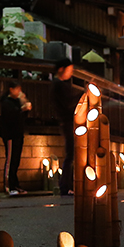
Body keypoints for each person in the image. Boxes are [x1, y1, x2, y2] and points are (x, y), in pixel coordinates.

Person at [0, 80, 31, 196]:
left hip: (18, 133)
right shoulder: (6, 102)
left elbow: (21, 117)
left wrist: (24, 105)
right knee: (10, 160)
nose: (19, 92)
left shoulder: (17, 101)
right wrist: (22, 109)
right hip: (10, 135)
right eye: (17, 89)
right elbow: (11, 116)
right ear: (11, 89)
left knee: (16, 160)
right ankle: (9, 186)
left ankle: (15, 184)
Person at [52, 59, 78, 196]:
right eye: (69, 69)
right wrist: (81, 96)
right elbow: (69, 103)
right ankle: (66, 185)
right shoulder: (59, 85)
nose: (71, 72)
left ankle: (67, 185)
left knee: (71, 153)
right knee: (71, 154)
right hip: (68, 121)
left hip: (67, 121)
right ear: (62, 69)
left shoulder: (59, 85)